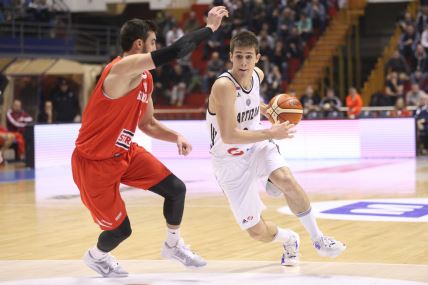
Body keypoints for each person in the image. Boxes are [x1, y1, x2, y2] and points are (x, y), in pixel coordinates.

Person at [71, 6, 228, 278]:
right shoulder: (120, 69)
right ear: (139, 44)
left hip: (125, 154)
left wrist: (175, 136)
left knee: (176, 189)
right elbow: (177, 51)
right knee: (120, 230)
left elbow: (148, 124)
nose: (157, 48)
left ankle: (173, 245)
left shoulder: (145, 79)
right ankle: (96, 257)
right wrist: (209, 29)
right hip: (94, 164)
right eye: (154, 43)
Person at [206, 30, 345, 267]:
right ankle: (289, 238)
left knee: (286, 179)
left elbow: (249, 101)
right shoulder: (223, 86)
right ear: (230, 57)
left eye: (248, 57)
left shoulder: (257, 75)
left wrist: (266, 110)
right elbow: (229, 135)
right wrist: (272, 131)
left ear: (257, 58)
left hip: (257, 146)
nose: (243, 62)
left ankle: (318, 238)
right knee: (256, 230)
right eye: (238, 56)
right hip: (228, 160)